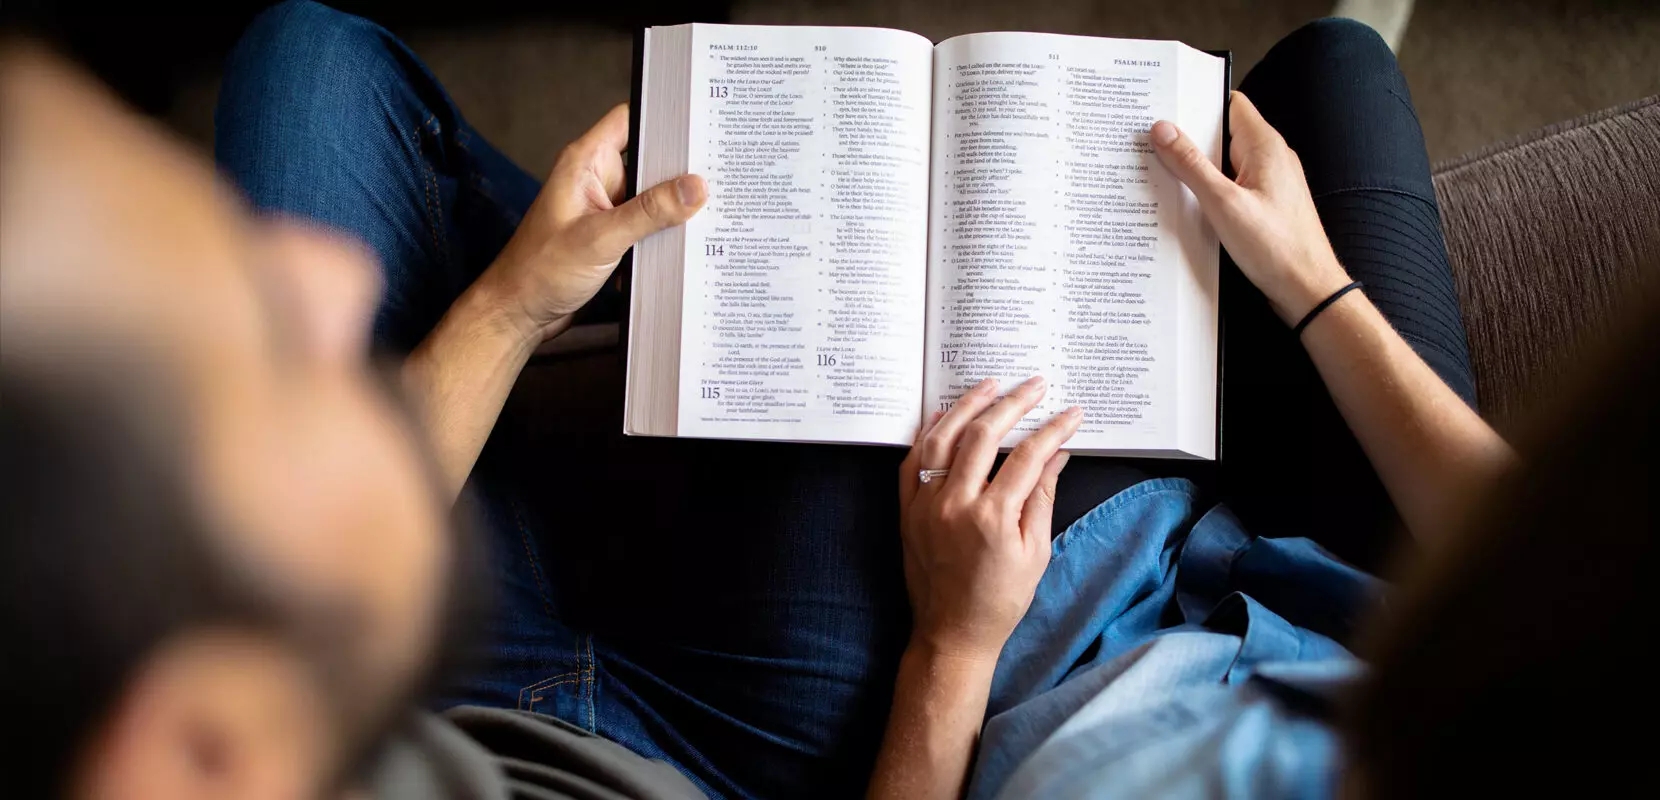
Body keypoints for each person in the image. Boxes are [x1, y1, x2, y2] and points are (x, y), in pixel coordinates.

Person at [5, 4, 1645, 800]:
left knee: (308, 55)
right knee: (1327, 78)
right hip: (1247, 604)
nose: (318, 288)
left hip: (796, 692)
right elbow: (1534, 572)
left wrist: (513, 304)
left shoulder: (220, 717)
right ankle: (623, 291)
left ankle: (602, 287)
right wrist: (1311, 289)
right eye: (245, 363)